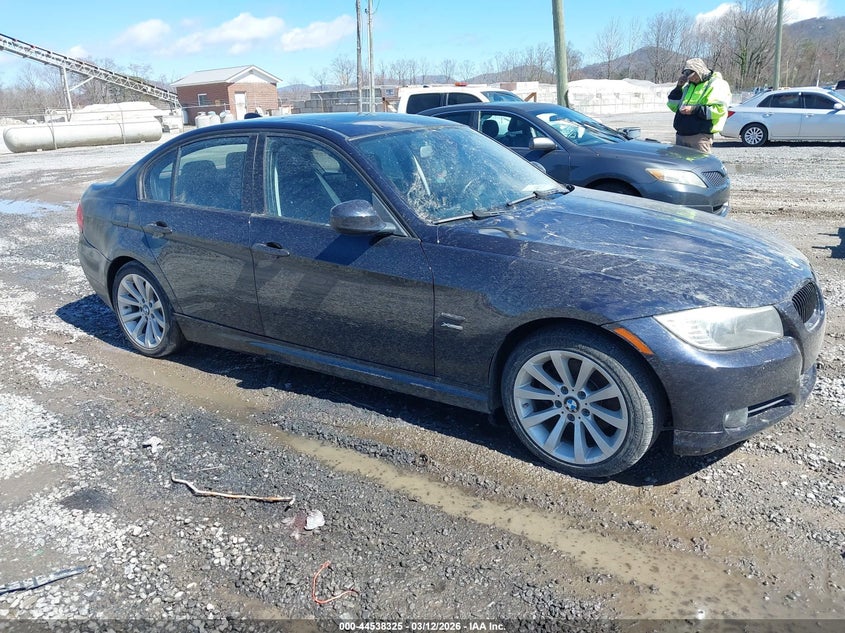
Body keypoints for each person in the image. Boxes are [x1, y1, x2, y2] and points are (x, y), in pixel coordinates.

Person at [667, 58, 732, 153]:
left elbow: (719, 110)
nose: (691, 79)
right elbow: (673, 106)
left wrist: (694, 109)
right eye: (689, 77)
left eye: (694, 76)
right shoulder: (689, 86)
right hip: (681, 136)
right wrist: (678, 87)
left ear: (700, 71)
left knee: (700, 162)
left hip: (700, 138)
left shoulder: (717, 84)